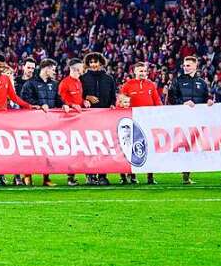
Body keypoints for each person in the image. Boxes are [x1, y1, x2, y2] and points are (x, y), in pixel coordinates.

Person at [0, 52, 32, 187]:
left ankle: (1, 175)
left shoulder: (6, 79)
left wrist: (29, 106)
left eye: (3, 67)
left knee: (3, 149)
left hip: (3, 119)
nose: (1, 69)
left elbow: (14, 97)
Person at [20, 59, 73, 187]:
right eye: (53, 69)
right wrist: (38, 105)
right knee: (31, 150)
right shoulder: (30, 83)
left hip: (49, 123)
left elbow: (58, 99)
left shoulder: (54, 84)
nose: (54, 72)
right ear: (46, 68)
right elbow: (25, 99)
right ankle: (27, 176)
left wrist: (64, 105)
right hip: (33, 123)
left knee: (47, 150)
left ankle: (46, 178)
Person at [167, 55, 213, 185]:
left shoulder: (202, 83)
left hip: (197, 119)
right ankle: (184, 173)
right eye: (184, 65)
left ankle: (187, 173)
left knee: (194, 145)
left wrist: (209, 100)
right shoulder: (178, 81)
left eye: (188, 65)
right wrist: (183, 103)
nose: (185, 67)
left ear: (195, 66)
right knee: (184, 145)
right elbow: (171, 98)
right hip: (182, 118)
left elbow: (207, 97)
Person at [119, 61, 162, 185]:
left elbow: (157, 101)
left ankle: (150, 176)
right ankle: (131, 176)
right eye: (140, 71)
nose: (143, 73)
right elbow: (121, 101)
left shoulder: (151, 85)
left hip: (148, 121)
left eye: (144, 71)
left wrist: (162, 113)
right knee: (130, 148)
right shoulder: (128, 85)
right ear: (135, 72)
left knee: (149, 148)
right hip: (132, 121)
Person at [81, 53, 116, 186]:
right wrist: (86, 98)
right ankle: (90, 174)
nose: (94, 65)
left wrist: (112, 104)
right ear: (88, 64)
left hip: (105, 117)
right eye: (91, 62)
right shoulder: (83, 78)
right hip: (88, 117)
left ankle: (102, 175)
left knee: (104, 146)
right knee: (89, 146)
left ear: (101, 63)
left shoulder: (109, 78)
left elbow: (113, 95)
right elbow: (80, 96)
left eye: (96, 62)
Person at [57, 59, 89, 186]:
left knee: (82, 147)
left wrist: (83, 102)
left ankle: (85, 175)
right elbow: (61, 100)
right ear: (74, 68)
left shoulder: (79, 82)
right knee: (72, 147)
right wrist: (71, 105)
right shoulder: (64, 83)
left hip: (80, 119)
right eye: (81, 68)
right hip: (69, 120)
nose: (83, 70)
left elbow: (78, 99)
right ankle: (70, 176)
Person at [12, 58, 38, 184]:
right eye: (29, 67)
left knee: (29, 149)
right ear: (23, 67)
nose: (30, 70)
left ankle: (27, 175)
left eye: (33, 68)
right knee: (17, 148)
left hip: (32, 119)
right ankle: (17, 176)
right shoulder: (15, 81)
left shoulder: (35, 82)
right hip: (16, 119)